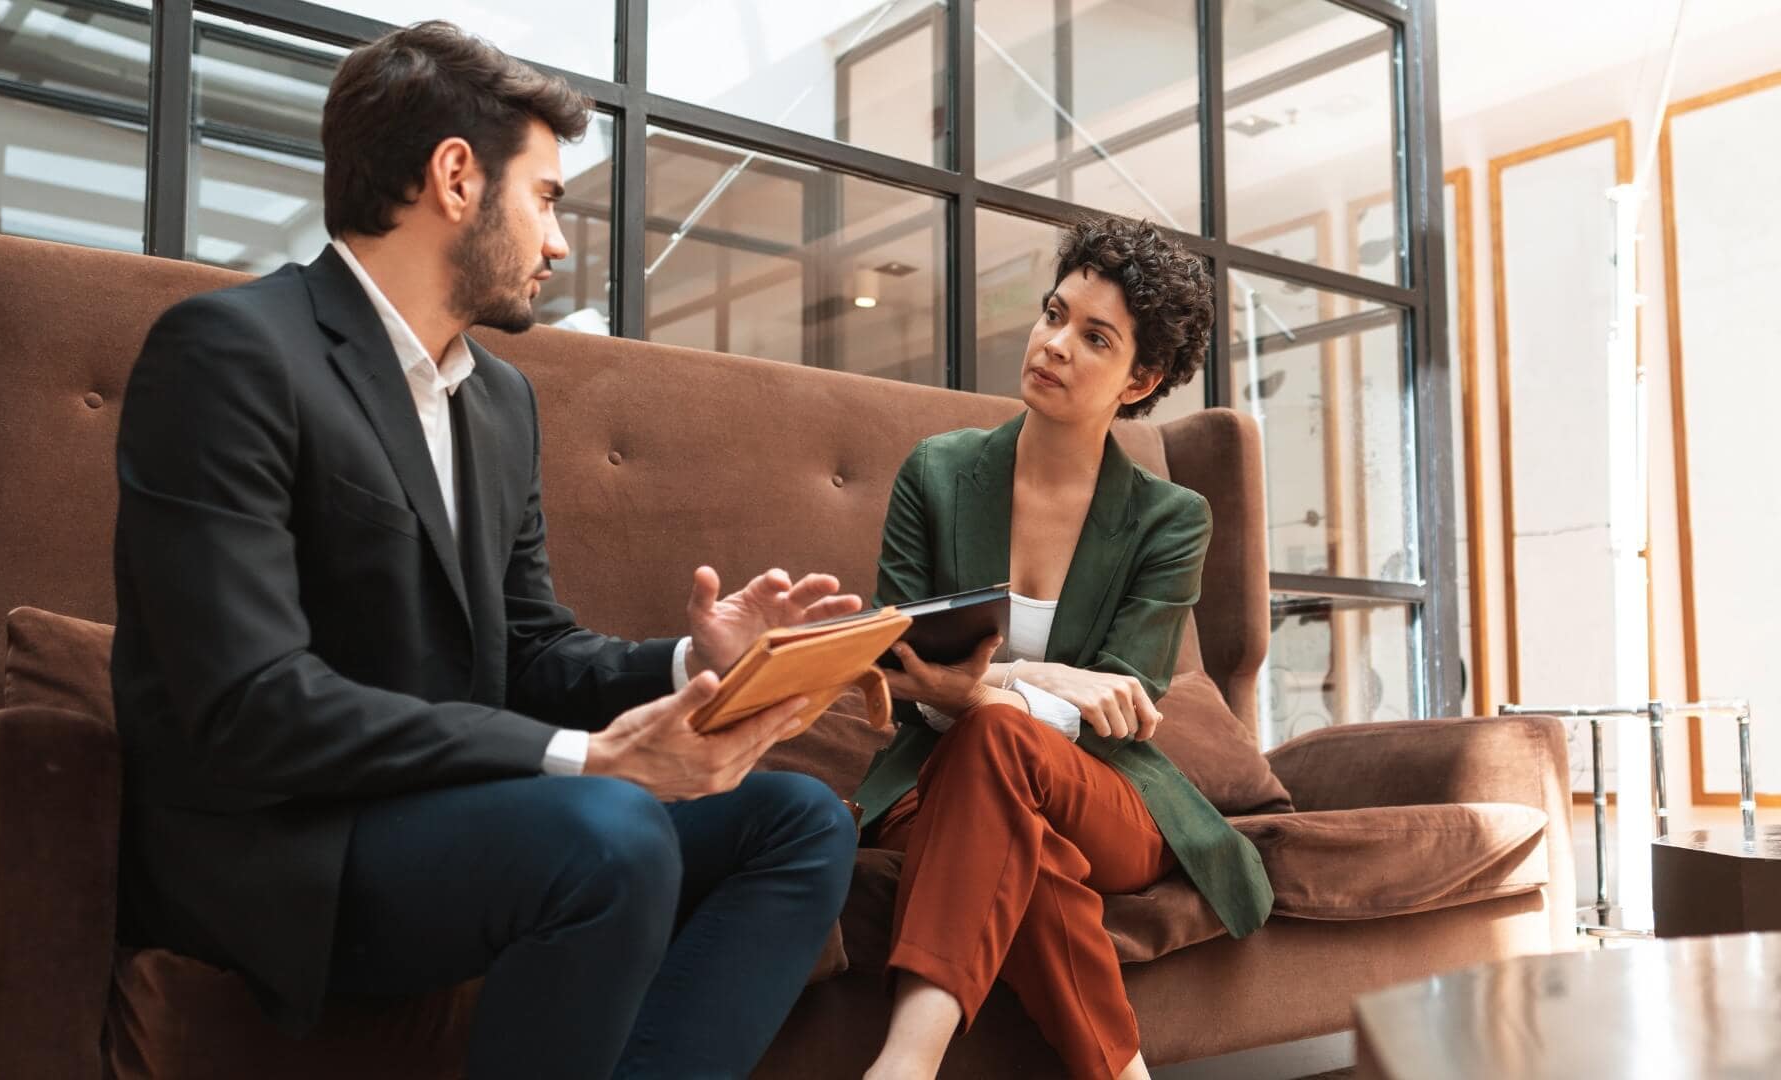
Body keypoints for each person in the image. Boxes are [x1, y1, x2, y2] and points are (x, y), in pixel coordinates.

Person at [110, 21, 859, 1079]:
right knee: (614, 832)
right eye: (546, 197)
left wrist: (698, 663)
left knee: (800, 821)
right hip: (289, 846)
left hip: (458, 817)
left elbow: (530, 649)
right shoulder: (231, 355)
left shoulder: (499, 401)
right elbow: (253, 705)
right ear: (455, 177)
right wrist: (588, 759)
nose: (559, 243)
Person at [850, 217, 1274, 1080]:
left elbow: (1119, 702)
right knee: (1019, 828)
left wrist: (981, 692)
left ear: (1140, 378)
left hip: (1109, 792)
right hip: (933, 783)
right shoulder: (936, 473)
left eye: (1094, 338)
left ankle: (903, 1065)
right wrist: (1036, 675)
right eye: (1053, 314)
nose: (1053, 345)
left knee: (997, 734)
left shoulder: (1170, 518)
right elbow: (892, 662)